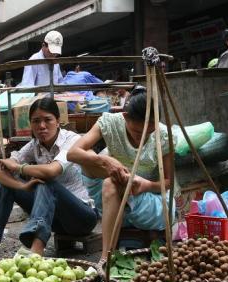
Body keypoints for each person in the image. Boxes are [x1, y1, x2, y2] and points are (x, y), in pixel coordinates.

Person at [67, 89, 175, 260]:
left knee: (111, 183)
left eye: (149, 132)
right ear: (125, 117)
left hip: (151, 202)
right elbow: (72, 154)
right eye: (138, 132)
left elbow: (169, 182)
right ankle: (107, 260)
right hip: (111, 198)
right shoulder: (110, 123)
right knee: (98, 170)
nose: (142, 138)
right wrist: (106, 161)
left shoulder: (163, 135)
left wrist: (146, 184)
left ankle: (105, 259)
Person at [0, 97, 98, 255]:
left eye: (48, 120)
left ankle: (36, 250)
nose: (42, 126)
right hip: (55, 220)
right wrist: (23, 186)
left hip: (82, 218)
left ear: (58, 121)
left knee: (46, 182)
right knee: (9, 184)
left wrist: (18, 167)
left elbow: (52, 171)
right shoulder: (34, 145)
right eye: (36, 121)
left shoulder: (72, 140)